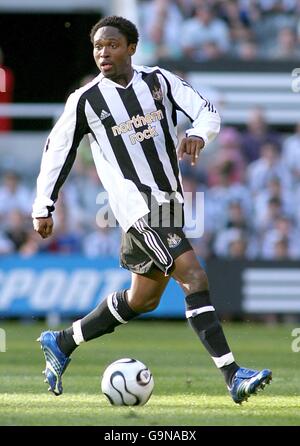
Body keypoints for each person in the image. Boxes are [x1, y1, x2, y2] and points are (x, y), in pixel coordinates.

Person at [32, 16, 272, 404]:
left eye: (111, 44)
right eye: (97, 47)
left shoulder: (159, 81)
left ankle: (62, 340)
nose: (102, 52)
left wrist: (197, 134)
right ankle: (233, 374)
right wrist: (43, 205)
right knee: (193, 276)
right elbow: (56, 150)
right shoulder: (86, 100)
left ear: (131, 47)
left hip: (169, 203)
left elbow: (208, 111)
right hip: (137, 206)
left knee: (143, 299)